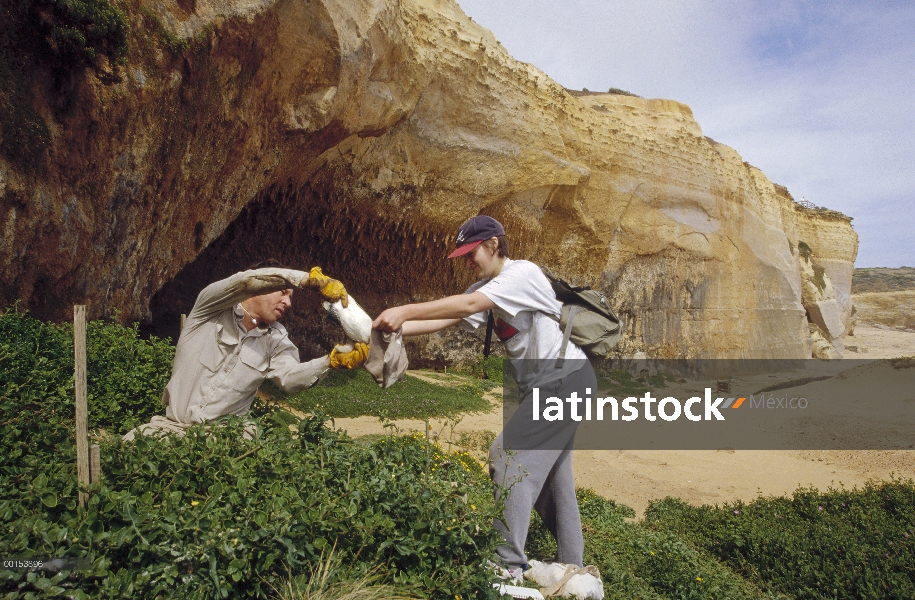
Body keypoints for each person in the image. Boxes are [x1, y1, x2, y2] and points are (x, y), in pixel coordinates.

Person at [372, 216, 597, 580]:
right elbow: (443, 319)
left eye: (470, 252)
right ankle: (575, 570)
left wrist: (404, 309)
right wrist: (380, 331)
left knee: (506, 456)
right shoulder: (490, 288)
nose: (466, 261)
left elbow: (465, 305)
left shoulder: (521, 275)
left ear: (493, 245)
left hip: (565, 382)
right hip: (558, 386)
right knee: (555, 481)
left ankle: (506, 567)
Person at [123, 261, 368, 441]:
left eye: (291, 296)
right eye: (283, 292)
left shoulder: (276, 339)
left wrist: (331, 361)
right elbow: (244, 281)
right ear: (261, 288)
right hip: (171, 429)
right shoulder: (209, 310)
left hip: (225, 438)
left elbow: (290, 379)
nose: (289, 302)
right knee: (129, 445)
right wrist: (305, 279)